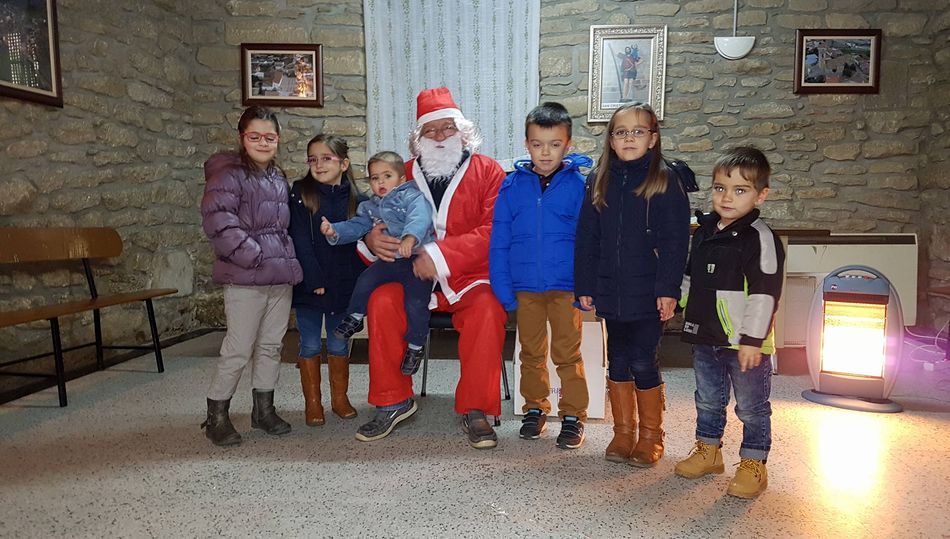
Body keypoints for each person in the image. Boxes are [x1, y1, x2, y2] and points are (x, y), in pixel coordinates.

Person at [358, 87, 507, 448]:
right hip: (409, 275)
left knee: (488, 309)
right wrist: (371, 241)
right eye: (430, 130)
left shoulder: (489, 172)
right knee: (381, 302)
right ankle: (393, 399)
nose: (440, 136)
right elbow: (373, 217)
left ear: (462, 131)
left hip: (468, 276)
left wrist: (440, 255)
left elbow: (494, 230)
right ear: (418, 138)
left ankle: (476, 408)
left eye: (447, 128)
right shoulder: (400, 173)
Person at [574, 102, 691, 467]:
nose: (629, 138)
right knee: (619, 360)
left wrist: (669, 289)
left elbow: (675, 242)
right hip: (611, 286)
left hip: (649, 290)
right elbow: (587, 236)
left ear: (653, 138)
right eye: (621, 131)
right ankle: (623, 433)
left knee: (643, 358)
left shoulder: (666, 179)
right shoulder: (599, 179)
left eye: (638, 131)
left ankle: (651, 436)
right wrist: (585, 283)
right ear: (610, 140)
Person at [673, 147, 785, 499]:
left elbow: (766, 292)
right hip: (706, 335)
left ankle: (754, 462)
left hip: (745, 343)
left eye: (740, 190)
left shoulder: (760, 238)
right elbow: (690, 277)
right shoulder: (703, 231)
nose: (727, 197)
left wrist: (753, 338)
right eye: (720, 187)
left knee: (751, 406)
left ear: (760, 194)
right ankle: (708, 450)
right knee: (707, 399)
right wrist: (675, 303)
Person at [489, 102, 592, 449]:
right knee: (530, 352)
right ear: (526, 143)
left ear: (568, 144)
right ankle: (535, 408)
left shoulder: (579, 187)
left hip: (566, 287)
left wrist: (586, 286)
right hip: (526, 288)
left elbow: (588, 241)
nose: (545, 152)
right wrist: (503, 290)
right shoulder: (511, 186)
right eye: (537, 144)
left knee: (568, 353)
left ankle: (573, 414)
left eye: (554, 144)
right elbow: (499, 240)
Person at [200, 106, 303, 447]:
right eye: (255, 136)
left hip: (278, 274)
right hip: (247, 274)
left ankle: (263, 410)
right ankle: (216, 416)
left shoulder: (277, 176)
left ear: (278, 140)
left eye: (269, 137)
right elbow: (218, 221)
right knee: (239, 347)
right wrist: (252, 255)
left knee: (272, 345)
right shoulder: (227, 174)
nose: (263, 142)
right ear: (242, 138)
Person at [322, 151, 436, 377]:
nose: (381, 182)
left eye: (387, 176)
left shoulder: (412, 197)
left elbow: (420, 217)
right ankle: (355, 317)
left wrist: (410, 237)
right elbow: (357, 226)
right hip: (392, 260)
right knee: (366, 279)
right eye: (375, 178)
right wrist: (335, 231)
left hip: (418, 260)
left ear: (402, 179)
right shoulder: (371, 206)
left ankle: (415, 346)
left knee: (416, 302)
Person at [288, 134, 365, 427]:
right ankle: (313, 402)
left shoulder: (359, 200)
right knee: (309, 343)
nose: (318, 164)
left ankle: (340, 398)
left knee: (338, 342)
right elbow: (300, 240)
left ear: (344, 164)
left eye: (326, 158)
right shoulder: (300, 193)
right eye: (313, 159)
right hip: (311, 283)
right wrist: (313, 278)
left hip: (343, 284)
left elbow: (361, 243)